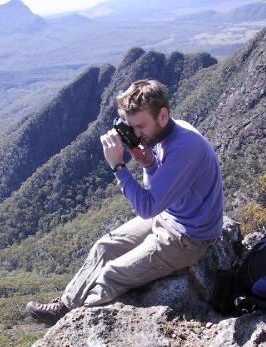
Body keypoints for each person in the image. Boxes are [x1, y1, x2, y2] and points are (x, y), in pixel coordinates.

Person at [26, 79, 223, 325]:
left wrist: (118, 166)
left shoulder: (185, 148)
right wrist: (148, 163)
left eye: (141, 126)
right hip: (170, 216)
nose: (136, 134)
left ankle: (75, 321)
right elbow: (159, 190)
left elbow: (147, 207)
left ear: (163, 115)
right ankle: (65, 305)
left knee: (112, 274)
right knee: (104, 247)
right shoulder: (164, 135)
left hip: (188, 237)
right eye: (131, 127)